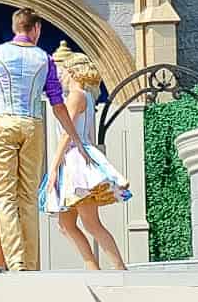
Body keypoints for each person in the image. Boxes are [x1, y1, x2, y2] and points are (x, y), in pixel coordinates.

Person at [0, 8, 96, 272]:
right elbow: (58, 105)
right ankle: (31, 264)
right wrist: (77, 141)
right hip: (32, 125)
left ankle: (17, 262)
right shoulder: (45, 59)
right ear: (36, 29)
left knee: (4, 197)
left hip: (3, 124)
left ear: (16, 28)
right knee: (27, 196)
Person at [39, 47, 130, 271]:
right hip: (80, 156)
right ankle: (92, 266)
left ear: (71, 71)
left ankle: (118, 268)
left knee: (91, 222)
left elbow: (67, 133)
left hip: (75, 161)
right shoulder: (86, 97)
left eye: (61, 71)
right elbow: (87, 134)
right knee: (65, 223)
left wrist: (54, 167)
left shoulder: (76, 96)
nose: (58, 75)